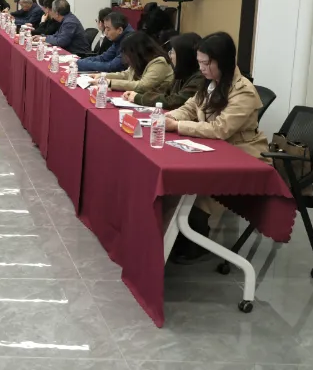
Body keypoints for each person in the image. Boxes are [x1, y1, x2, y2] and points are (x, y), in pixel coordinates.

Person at [164, 32, 269, 262]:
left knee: (196, 188)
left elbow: (220, 129)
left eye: (206, 63)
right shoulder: (210, 83)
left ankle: (197, 239)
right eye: (199, 63)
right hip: (215, 147)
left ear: (223, 61)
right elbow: (189, 107)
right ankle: (178, 235)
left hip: (244, 152)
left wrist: (177, 126)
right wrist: (168, 118)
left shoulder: (243, 90)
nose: (201, 68)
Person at [123, 32, 204, 110]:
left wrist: (139, 97)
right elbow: (164, 93)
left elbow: (174, 101)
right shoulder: (182, 74)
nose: (170, 56)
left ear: (183, 56)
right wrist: (138, 95)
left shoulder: (199, 78)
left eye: (172, 52)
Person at [89, 31, 173, 94]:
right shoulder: (140, 60)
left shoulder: (159, 62)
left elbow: (143, 86)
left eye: (127, 53)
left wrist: (110, 83)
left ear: (138, 51)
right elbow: (126, 75)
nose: (126, 57)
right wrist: (102, 76)